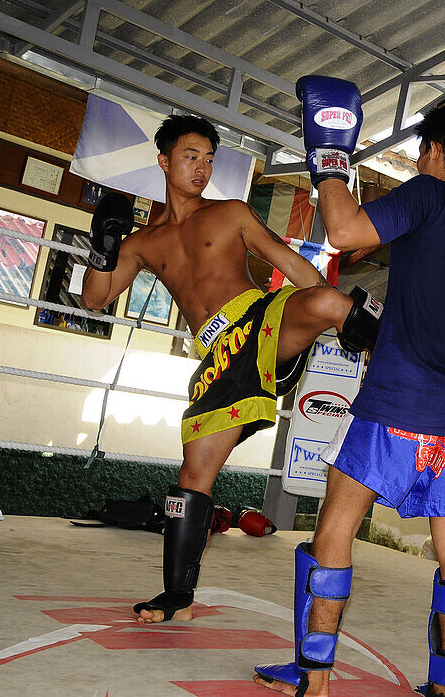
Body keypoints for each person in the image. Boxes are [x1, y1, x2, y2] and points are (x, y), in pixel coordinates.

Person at [251, 77, 445, 697]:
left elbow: (342, 232)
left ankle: (315, 679)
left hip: (392, 406)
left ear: (433, 151)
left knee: (335, 530)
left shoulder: (426, 193)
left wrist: (328, 160)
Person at [80, 114, 383, 625]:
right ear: (164, 161)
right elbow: (95, 299)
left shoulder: (231, 213)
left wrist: (323, 303)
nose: (202, 168)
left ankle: (400, 356)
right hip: (218, 358)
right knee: (192, 478)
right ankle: (176, 596)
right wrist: (104, 247)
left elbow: (290, 266)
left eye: (209, 159)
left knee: (331, 303)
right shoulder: (141, 243)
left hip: (258, 320)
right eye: (190, 157)